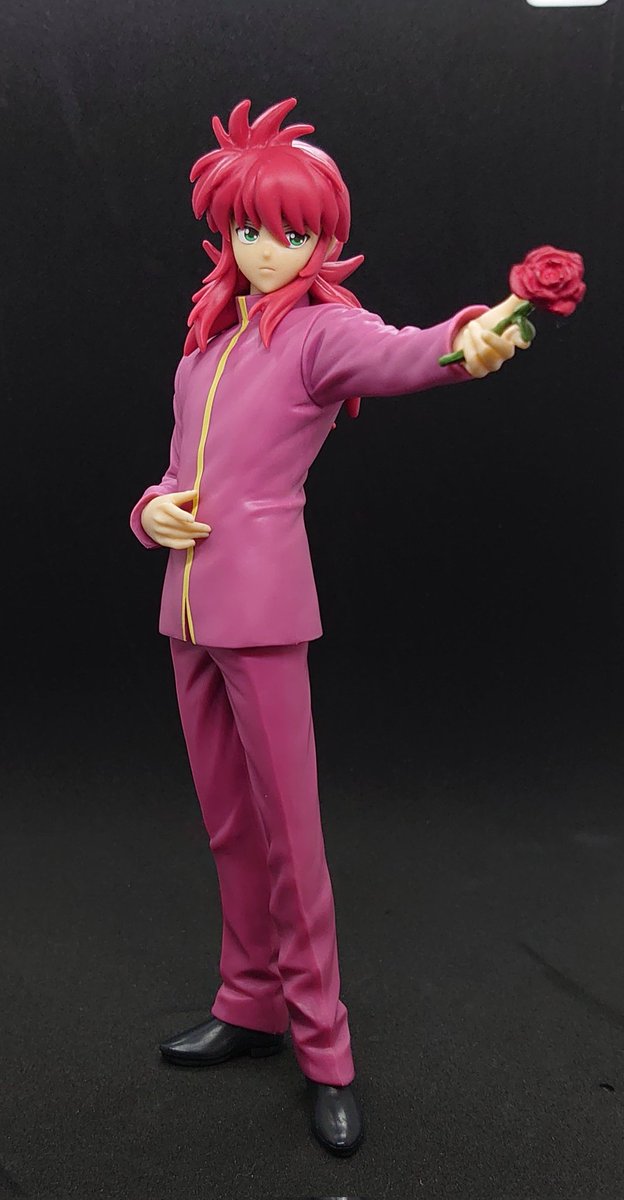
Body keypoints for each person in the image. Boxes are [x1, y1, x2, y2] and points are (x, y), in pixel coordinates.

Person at [129, 97, 530, 1156]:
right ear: (224, 232)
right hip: (188, 611)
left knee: (291, 838)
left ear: (322, 240)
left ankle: (326, 1049)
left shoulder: (317, 336)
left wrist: (473, 338)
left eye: (291, 232)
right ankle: (249, 1002)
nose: (268, 250)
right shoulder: (203, 352)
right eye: (249, 229)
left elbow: (402, 353)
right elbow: (174, 473)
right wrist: (148, 512)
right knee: (229, 826)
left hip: (264, 612)